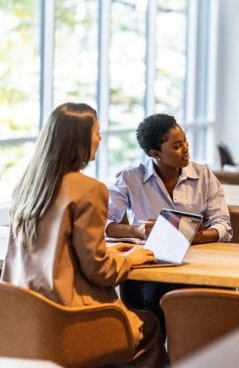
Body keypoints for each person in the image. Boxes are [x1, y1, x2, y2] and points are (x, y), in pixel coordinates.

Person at [1, 103, 168, 367]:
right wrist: (130, 259)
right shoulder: (88, 190)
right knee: (148, 326)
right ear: (80, 139)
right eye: (97, 132)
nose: (100, 139)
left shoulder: (27, 186)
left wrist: (111, 250)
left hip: (24, 321)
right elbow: (99, 271)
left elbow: (53, 251)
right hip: (67, 321)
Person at [106, 113, 232, 334]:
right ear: (154, 154)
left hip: (198, 266)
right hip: (152, 268)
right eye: (176, 146)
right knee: (154, 300)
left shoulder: (203, 175)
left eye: (185, 141)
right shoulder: (130, 179)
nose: (185, 149)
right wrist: (137, 230)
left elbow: (223, 225)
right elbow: (102, 224)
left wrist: (204, 236)